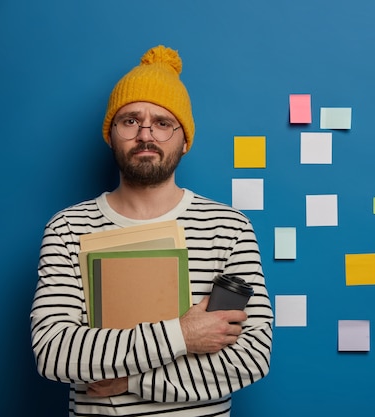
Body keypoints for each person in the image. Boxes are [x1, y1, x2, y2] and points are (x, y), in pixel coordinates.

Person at [30, 45, 273, 416]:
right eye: (130, 121)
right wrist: (183, 335)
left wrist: (132, 382)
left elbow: (250, 358)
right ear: (110, 135)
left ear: (185, 140)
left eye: (162, 123)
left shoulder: (229, 228)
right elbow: (54, 352)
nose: (146, 134)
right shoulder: (67, 228)